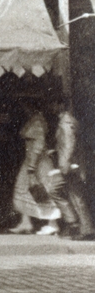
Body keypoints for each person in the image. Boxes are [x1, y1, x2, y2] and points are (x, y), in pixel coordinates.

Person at [7, 103, 62, 236]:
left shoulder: (37, 121)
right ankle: (26, 222)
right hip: (31, 161)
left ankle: (52, 224)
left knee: (43, 192)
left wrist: (32, 167)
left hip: (37, 163)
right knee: (23, 189)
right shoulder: (34, 120)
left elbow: (38, 146)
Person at [52, 102, 95, 240]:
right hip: (70, 164)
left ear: (59, 105)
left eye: (52, 104)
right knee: (72, 194)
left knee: (73, 195)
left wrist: (65, 163)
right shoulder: (66, 121)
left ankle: (82, 227)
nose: (51, 108)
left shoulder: (66, 123)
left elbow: (70, 144)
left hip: (69, 165)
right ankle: (77, 225)